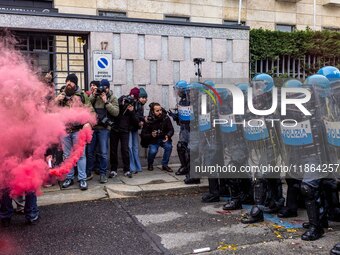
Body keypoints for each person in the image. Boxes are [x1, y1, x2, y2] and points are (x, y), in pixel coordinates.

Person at [54, 73, 93, 190]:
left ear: (75, 83)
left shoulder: (82, 95)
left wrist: (88, 123)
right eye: (67, 81)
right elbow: (51, 111)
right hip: (65, 131)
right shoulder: (61, 95)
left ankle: (82, 179)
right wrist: (56, 101)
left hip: (78, 130)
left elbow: (90, 111)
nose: (69, 83)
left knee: (81, 156)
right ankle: (69, 178)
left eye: (71, 81)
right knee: (67, 156)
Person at [87, 79, 119, 183]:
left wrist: (106, 101)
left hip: (104, 129)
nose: (101, 89)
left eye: (103, 87)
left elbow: (116, 113)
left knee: (103, 153)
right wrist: (94, 94)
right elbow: (87, 105)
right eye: (100, 87)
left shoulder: (112, 97)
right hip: (93, 127)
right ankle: (89, 172)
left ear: (108, 88)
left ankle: (103, 174)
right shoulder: (95, 96)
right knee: (90, 151)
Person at [109, 88, 139, 178]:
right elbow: (114, 111)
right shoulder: (121, 99)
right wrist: (121, 104)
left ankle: (127, 169)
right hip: (115, 128)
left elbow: (135, 121)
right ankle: (113, 169)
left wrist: (132, 111)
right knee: (113, 150)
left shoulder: (134, 105)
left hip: (125, 130)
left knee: (125, 150)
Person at [141, 102, 174, 172]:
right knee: (153, 151)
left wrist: (168, 135)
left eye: (160, 110)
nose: (160, 112)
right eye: (157, 111)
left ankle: (164, 165)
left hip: (163, 138)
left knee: (169, 147)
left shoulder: (165, 117)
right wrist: (151, 135)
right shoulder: (149, 120)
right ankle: (150, 164)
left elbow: (171, 129)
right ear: (153, 112)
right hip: (153, 140)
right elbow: (143, 134)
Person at [129, 87, 148, 174]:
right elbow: (134, 116)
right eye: (142, 97)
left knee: (134, 147)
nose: (144, 99)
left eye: (145, 97)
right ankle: (133, 167)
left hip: (134, 128)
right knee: (131, 147)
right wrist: (142, 120)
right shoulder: (135, 104)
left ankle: (136, 166)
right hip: (129, 128)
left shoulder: (140, 105)